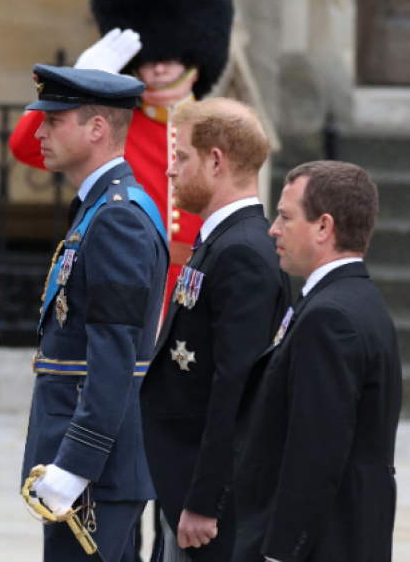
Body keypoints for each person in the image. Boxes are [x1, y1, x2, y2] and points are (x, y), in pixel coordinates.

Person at [9, 0, 233, 299]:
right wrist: (78, 83)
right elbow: (26, 146)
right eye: (149, 57)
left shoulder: (224, 129)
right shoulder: (113, 122)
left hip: (196, 295)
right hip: (121, 289)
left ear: (195, 54)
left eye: (171, 56)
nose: (159, 67)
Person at [20, 65, 168, 562]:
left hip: (94, 468)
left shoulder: (117, 218)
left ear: (97, 129)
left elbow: (114, 351)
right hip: (92, 461)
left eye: (53, 120)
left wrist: (77, 463)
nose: (39, 131)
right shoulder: (102, 208)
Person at [139, 99, 290, 562]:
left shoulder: (242, 251)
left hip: (204, 501)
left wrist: (206, 500)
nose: (170, 170)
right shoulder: (221, 241)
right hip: (181, 480)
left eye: (181, 157)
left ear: (216, 161)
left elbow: (236, 389)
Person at [234, 161, 399, 562]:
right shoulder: (357, 299)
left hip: (323, 544)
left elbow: (316, 451)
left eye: (286, 217)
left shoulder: (331, 317)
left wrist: (279, 552)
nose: (273, 228)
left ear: (324, 227)